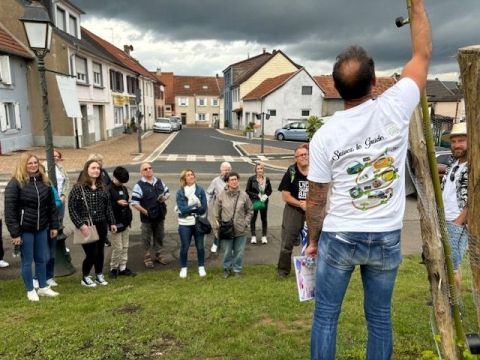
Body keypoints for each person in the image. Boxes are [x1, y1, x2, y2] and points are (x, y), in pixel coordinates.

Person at [305, 1, 432, 358]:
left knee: (326, 317)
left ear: (335, 86)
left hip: (340, 234)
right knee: (379, 318)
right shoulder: (394, 104)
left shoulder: (324, 136)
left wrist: (313, 240)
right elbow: (422, 55)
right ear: (374, 81)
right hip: (386, 235)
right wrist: (417, 5)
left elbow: (315, 200)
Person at [4, 153, 59, 301]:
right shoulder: (15, 184)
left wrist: (54, 226)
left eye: (35, 163)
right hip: (25, 230)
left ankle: (43, 287)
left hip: (41, 228)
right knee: (27, 261)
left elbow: (51, 207)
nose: (33, 165)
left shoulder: (44, 182)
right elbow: (10, 211)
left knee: (42, 258)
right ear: (23, 165)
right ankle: (30, 290)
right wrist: (15, 234)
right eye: (30, 163)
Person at [69, 159, 117, 287]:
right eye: (93, 168)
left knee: (100, 251)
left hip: (101, 223)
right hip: (86, 225)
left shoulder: (103, 187)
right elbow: (72, 209)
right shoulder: (78, 189)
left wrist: (112, 222)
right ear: (87, 170)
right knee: (92, 253)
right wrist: (81, 224)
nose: (96, 170)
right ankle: (85, 277)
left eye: (98, 168)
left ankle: (99, 274)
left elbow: (108, 207)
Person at [35, 149, 70, 288]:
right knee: (42, 253)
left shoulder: (49, 186)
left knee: (51, 251)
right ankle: (37, 277)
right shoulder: (32, 186)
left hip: (52, 220)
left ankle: (49, 277)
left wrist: (58, 201)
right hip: (42, 223)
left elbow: (56, 200)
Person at [441, 122, 469, 291]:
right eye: (453, 141)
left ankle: (454, 306)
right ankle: (444, 296)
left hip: (456, 222)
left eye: (461, 140)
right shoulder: (454, 163)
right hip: (445, 219)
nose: (457, 145)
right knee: (445, 262)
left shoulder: (475, 164)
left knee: (453, 267)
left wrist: (459, 221)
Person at [277, 144, 309, 278]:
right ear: (295, 158)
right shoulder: (291, 172)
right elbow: (285, 195)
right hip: (294, 210)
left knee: (313, 242)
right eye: (301, 155)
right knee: (287, 242)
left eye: (306, 154)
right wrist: (300, 204)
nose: (304, 157)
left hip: (311, 210)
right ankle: (283, 272)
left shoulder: (316, 170)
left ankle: (311, 271)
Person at [131, 162, 170, 268]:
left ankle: (158, 255)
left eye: (150, 168)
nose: (148, 170)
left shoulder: (159, 181)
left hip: (160, 215)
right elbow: (134, 203)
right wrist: (145, 212)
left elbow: (167, 192)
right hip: (147, 218)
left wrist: (164, 198)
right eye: (145, 169)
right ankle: (147, 257)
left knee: (159, 236)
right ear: (141, 173)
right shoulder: (139, 185)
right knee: (146, 237)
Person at [214, 172, 252, 278]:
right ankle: (227, 269)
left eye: (236, 179)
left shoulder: (244, 195)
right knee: (227, 252)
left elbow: (250, 210)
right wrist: (217, 228)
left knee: (239, 252)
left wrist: (246, 223)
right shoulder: (221, 196)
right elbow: (216, 214)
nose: (234, 181)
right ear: (227, 182)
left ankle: (237, 269)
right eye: (232, 180)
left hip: (241, 229)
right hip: (226, 229)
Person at [175, 169, 208, 278]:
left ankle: (201, 267)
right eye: (188, 175)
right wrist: (194, 205)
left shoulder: (200, 190)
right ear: (184, 178)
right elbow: (182, 209)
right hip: (184, 223)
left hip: (198, 222)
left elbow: (203, 208)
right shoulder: (180, 192)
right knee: (184, 247)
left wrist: (189, 208)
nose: (191, 176)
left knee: (200, 247)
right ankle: (183, 268)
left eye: (192, 174)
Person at [108, 166, 135, 278]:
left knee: (125, 246)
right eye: (120, 181)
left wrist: (129, 219)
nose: (121, 183)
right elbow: (107, 207)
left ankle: (123, 267)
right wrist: (117, 204)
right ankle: (113, 268)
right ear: (114, 177)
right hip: (114, 222)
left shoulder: (123, 188)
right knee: (117, 247)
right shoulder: (108, 189)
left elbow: (127, 204)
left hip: (124, 221)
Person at [206, 161, 232, 253]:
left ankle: (229, 246)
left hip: (230, 209)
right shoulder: (215, 181)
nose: (227, 172)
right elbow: (209, 193)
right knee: (217, 226)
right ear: (221, 170)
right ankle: (216, 243)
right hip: (218, 208)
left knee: (229, 227)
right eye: (225, 170)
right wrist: (206, 204)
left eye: (229, 170)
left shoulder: (233, 180)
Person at [246, 163, 272, 244]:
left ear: (263, 170)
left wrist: (266, 195)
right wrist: (256, 195)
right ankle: (253, 236)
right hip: (255, 201)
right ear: (255, 170)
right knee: (253, 218)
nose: (259, 170)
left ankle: (264, 236)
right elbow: (247, 190)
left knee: (264, 219)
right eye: (258, 168)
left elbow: (270, 190)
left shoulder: (266, 179)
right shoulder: (251, 179)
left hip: (263, 201)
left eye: (261, 168)